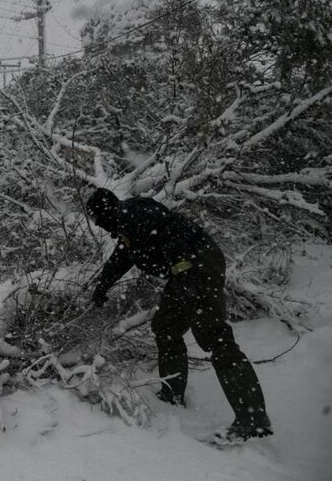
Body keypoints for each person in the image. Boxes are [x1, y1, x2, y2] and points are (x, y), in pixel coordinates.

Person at [86, 188, 272, 444]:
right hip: (183, 272)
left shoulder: (131, 210)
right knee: (166, 326)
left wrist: (183, 268)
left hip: (196, 267)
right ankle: (172, 394)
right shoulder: (126, 225)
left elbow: (167, 227)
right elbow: (121, 258)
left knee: (214, 337)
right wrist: (101, 286)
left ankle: (253, 419)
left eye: (97, 219)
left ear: (106, 210)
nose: (100, 225)